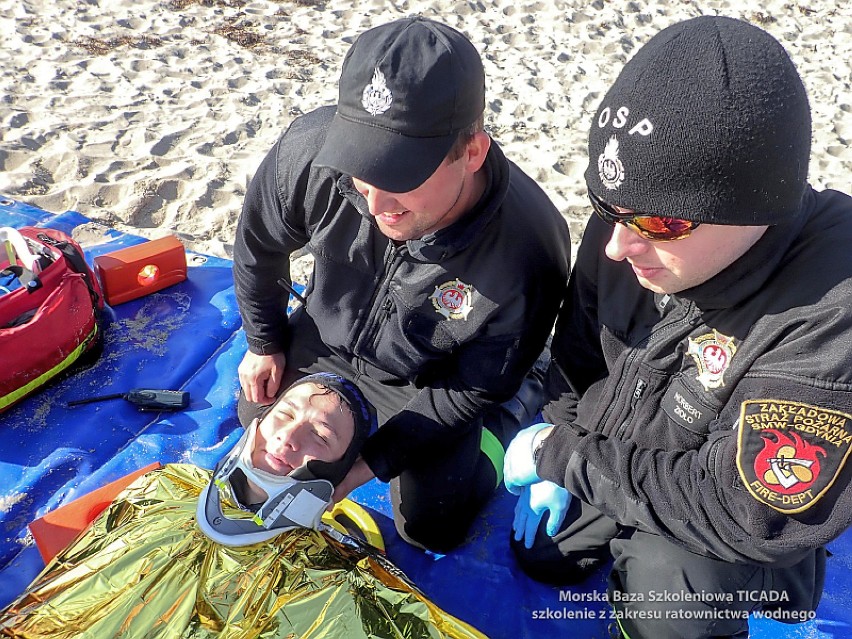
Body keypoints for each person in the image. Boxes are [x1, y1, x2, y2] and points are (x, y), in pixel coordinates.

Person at [503, 15, 852, 639]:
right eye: (607, 208)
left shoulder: (832, 309)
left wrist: (564, 456)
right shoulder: (634, 224)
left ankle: (788, 584)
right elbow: (579, 356)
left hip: (740, 501)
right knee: (545, 555)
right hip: (632, 436)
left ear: (752, 207)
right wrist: (561, 435)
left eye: (658, 222)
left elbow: (750, 512)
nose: (616, 245)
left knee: (671, 591)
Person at [233, 16, 571, 553]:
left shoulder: (528, 251)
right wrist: (264, 340)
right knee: (256, 425)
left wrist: (368, 466)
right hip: (324, 341)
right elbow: (259, 245)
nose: (375, 205)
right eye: (362, 171)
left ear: (473, 152)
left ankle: (509, 417)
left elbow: (472, 388)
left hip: (427, 379)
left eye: (402, 177)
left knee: (432, 526)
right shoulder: (310, 150)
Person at [0, 373, 486, 639]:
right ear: (259, 422)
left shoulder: (341, 578)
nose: (290, 436)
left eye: (320, 435)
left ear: (339, 474)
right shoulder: (162, 487)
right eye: (285, 414)